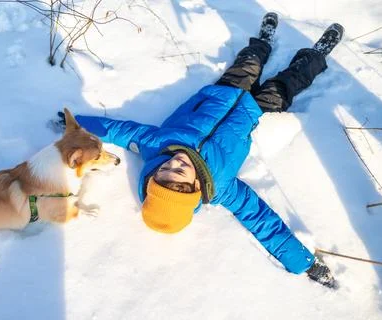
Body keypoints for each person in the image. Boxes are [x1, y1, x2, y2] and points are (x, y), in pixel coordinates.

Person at [53, 13, 343, 288]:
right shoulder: (222, 187)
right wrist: (305, 264)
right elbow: (261, 220)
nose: (173, 163)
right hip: (254, 111)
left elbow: (119, 129)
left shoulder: (156, 145)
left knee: (249, 61)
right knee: (289, 82)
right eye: (179, 172)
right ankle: (316, 56)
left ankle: (264, 41)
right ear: (194, 188)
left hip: (223, 92)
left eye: (163, 171)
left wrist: (75, 126)